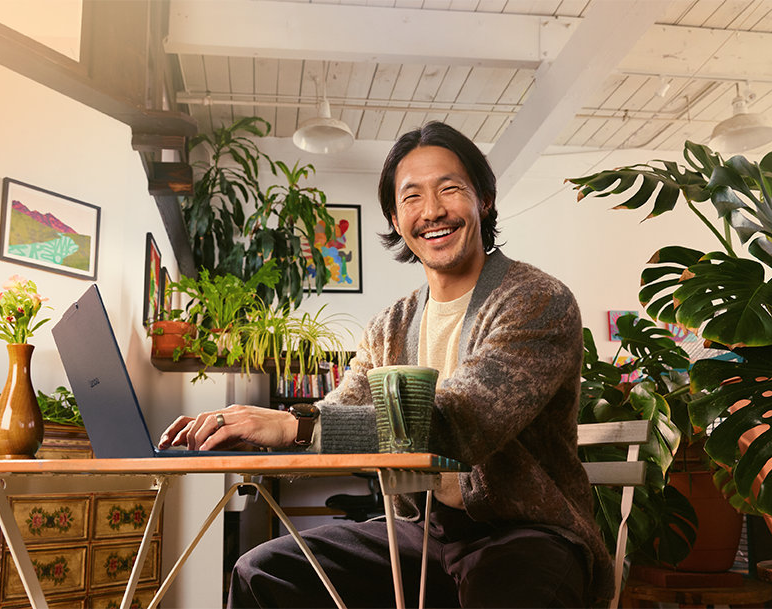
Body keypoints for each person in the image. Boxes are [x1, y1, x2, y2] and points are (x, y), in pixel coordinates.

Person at [158, 121, 612, 608]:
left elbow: (459, 425)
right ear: (396, 220)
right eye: (412, 197)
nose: (433, 210)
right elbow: (343, 417)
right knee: (263, 573)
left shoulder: (537, 300)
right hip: (423, 532)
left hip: (527, 534)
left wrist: (296, 425)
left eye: (450, 188)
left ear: (483, 200)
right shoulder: (388, 326)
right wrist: (247, 430)